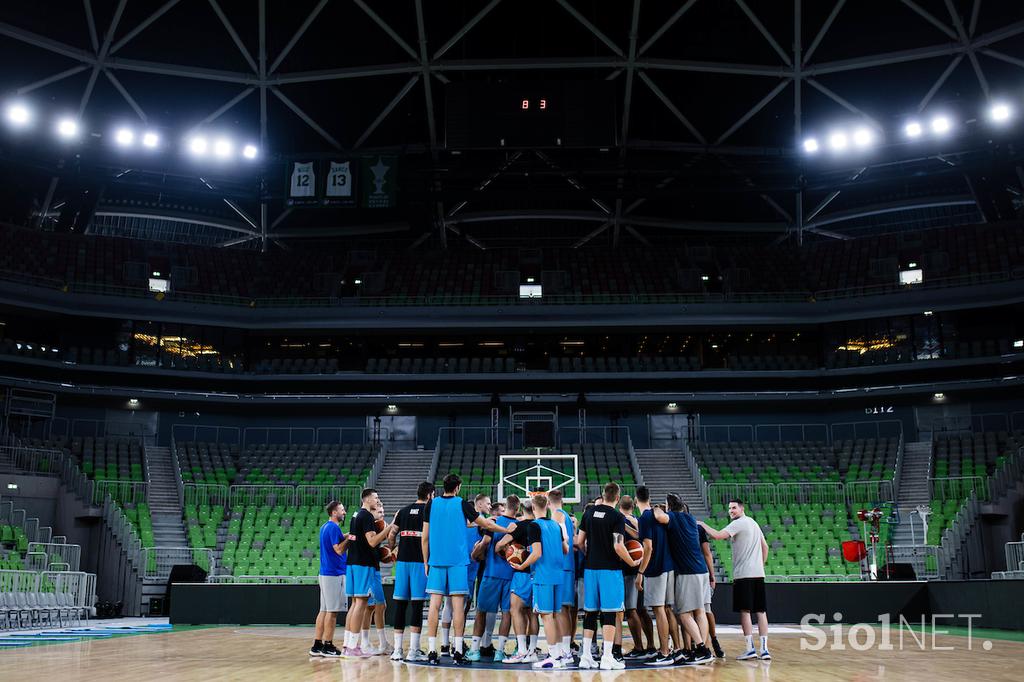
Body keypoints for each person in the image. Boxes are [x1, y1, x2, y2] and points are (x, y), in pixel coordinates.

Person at [421, 473, 506, 666]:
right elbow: (484, 523)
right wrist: (506, 530)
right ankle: (458, 651)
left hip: (436, 561)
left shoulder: (431, 504)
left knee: (435, 606)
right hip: (458, 562)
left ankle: (433, 650)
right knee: (458, 607)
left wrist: (426, 561)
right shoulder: (462, 504)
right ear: (458, 487)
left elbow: (424, 538)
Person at [576, 482, 641, 670]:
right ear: (618, 498)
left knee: (590, 613)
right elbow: (618, 546)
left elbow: (580, 542)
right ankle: (606, 658)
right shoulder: (617, 516)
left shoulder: (588, 513)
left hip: (590, 569)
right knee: (610, 613)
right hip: (610, 570)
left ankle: (586, 657)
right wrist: (632, 562)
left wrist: (589, 555)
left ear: (603, 495)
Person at [699, 499, 771, 661]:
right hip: (758, 574)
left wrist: (702, 524)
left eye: (733, 508)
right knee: (761, 611)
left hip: (743, 574)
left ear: (741, 508)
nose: (731, 511)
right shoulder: (753, 523)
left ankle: (750, 648)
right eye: (729, 508)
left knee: (745, 611)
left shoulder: (738, 523)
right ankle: (765, 650)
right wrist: (760, 565)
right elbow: (765, 547)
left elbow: (717, 536)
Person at [511, 493, 571, 669]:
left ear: (534, 508)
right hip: (558, 576)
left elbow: (536, 553)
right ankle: (560, 654)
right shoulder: (556, 525)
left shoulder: (535, 526)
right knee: (555, 615)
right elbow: (566, 550)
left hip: (543, 576)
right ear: (546, 506)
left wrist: (522, 565)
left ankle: (553, 656)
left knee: (547, 617)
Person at [654, 493, 713, 665]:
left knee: (685, 614)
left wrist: (658, 508)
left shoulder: (674, 517)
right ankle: (703, 650)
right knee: (700, 611)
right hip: (701, 570)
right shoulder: (690, 518)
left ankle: (702, 648)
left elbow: (658, 516)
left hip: (688, 572)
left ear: (669, 506)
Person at [342, 489, 395, 657]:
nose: (377, 500)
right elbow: (372, 542)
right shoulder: (366, 516)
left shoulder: (355, 514)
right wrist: (389, 528)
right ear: (367, 499)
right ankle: (353, 648)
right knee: (361, 604)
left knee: (355, 604)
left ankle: (348, 645)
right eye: (376, 498)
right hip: (363, 564)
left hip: (352, 563)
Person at [467, 495, 519, 661]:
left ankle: (474, 650)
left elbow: (485, 543)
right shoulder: (519, 526)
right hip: (511, 575)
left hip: (491, 573)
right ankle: (500, 651)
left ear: (506, 506)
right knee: (506, 614)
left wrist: (475, 554)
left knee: (481, 612)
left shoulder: (493, 522)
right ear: (517, 509)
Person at [390, 481, 434, 662]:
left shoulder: (402, 511)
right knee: (417, 606)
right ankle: (413, 650)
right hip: (419, 563)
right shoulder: (430, 511)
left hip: (401, 563)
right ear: (430, 495)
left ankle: (398, 650)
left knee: (400, 605)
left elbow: (392, 534)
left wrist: (391, 549)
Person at [636, 490, 677, 666]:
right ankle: (677, 649)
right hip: (669, 566)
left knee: (659, 610)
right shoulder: (660, 514)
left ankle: (664, 653)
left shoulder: (644, 518)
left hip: (656, 568)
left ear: (637, 500)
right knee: (668, 609)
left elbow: (648, 548)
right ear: (650, 499)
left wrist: (640, 573)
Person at [495, 499, 538, 664]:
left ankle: (521, 650)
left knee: (515, 609)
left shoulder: (519, 527)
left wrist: (508, 554)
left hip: (521, 575)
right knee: (533, 613)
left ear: (522, 509)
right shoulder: (541, 525)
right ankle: (532, 651)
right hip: (538, 574)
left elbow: (499, 545)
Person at [310, 500, 353, 657]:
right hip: (334, 574)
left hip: (325, 573)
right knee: (332, 612)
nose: (344, 512)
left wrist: (348, 535)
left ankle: (317, 644)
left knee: (324, 610)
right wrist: (352, 538)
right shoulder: (333, 527)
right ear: (334, 512)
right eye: (342, 510)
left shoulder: (325, 527)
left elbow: (339, 538)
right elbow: (339, 550)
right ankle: (328, 645)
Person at [618, 495, 653, 660]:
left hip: (629, 570)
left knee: (631, 611)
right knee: (642, 610)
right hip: (641, 569)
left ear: (619, 506)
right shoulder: (638, 520)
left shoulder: (620, 521)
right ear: (633, 506)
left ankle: (639, 647)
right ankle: (651, 645)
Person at [546, 489, 577, 658]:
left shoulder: (557, 515)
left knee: (562, 610)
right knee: (562, 610)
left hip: (562, 566)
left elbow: (557, 541)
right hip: (566, 566)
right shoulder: (564, 514)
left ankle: (565, 651)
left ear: (548, 502)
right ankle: (563, 648)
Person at [363, 501, 391, 656]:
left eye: (383, 511)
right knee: (380, 606)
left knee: (370, 607)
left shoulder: (371, 528)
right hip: (370, 570)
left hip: (372, 567)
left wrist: (385, 554)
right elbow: (372, 543)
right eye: (379, 512)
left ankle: (366, 642)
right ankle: (382, 643)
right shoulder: (371, 526)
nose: (382, 515)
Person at [698, 518, 725, 658]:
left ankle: (713, 641)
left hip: (699, 572)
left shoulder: (698, 528)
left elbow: (707, 553)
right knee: (702, 610)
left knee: (706, 609)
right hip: (697, 572)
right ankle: (704, 644)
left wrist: (712, 576)